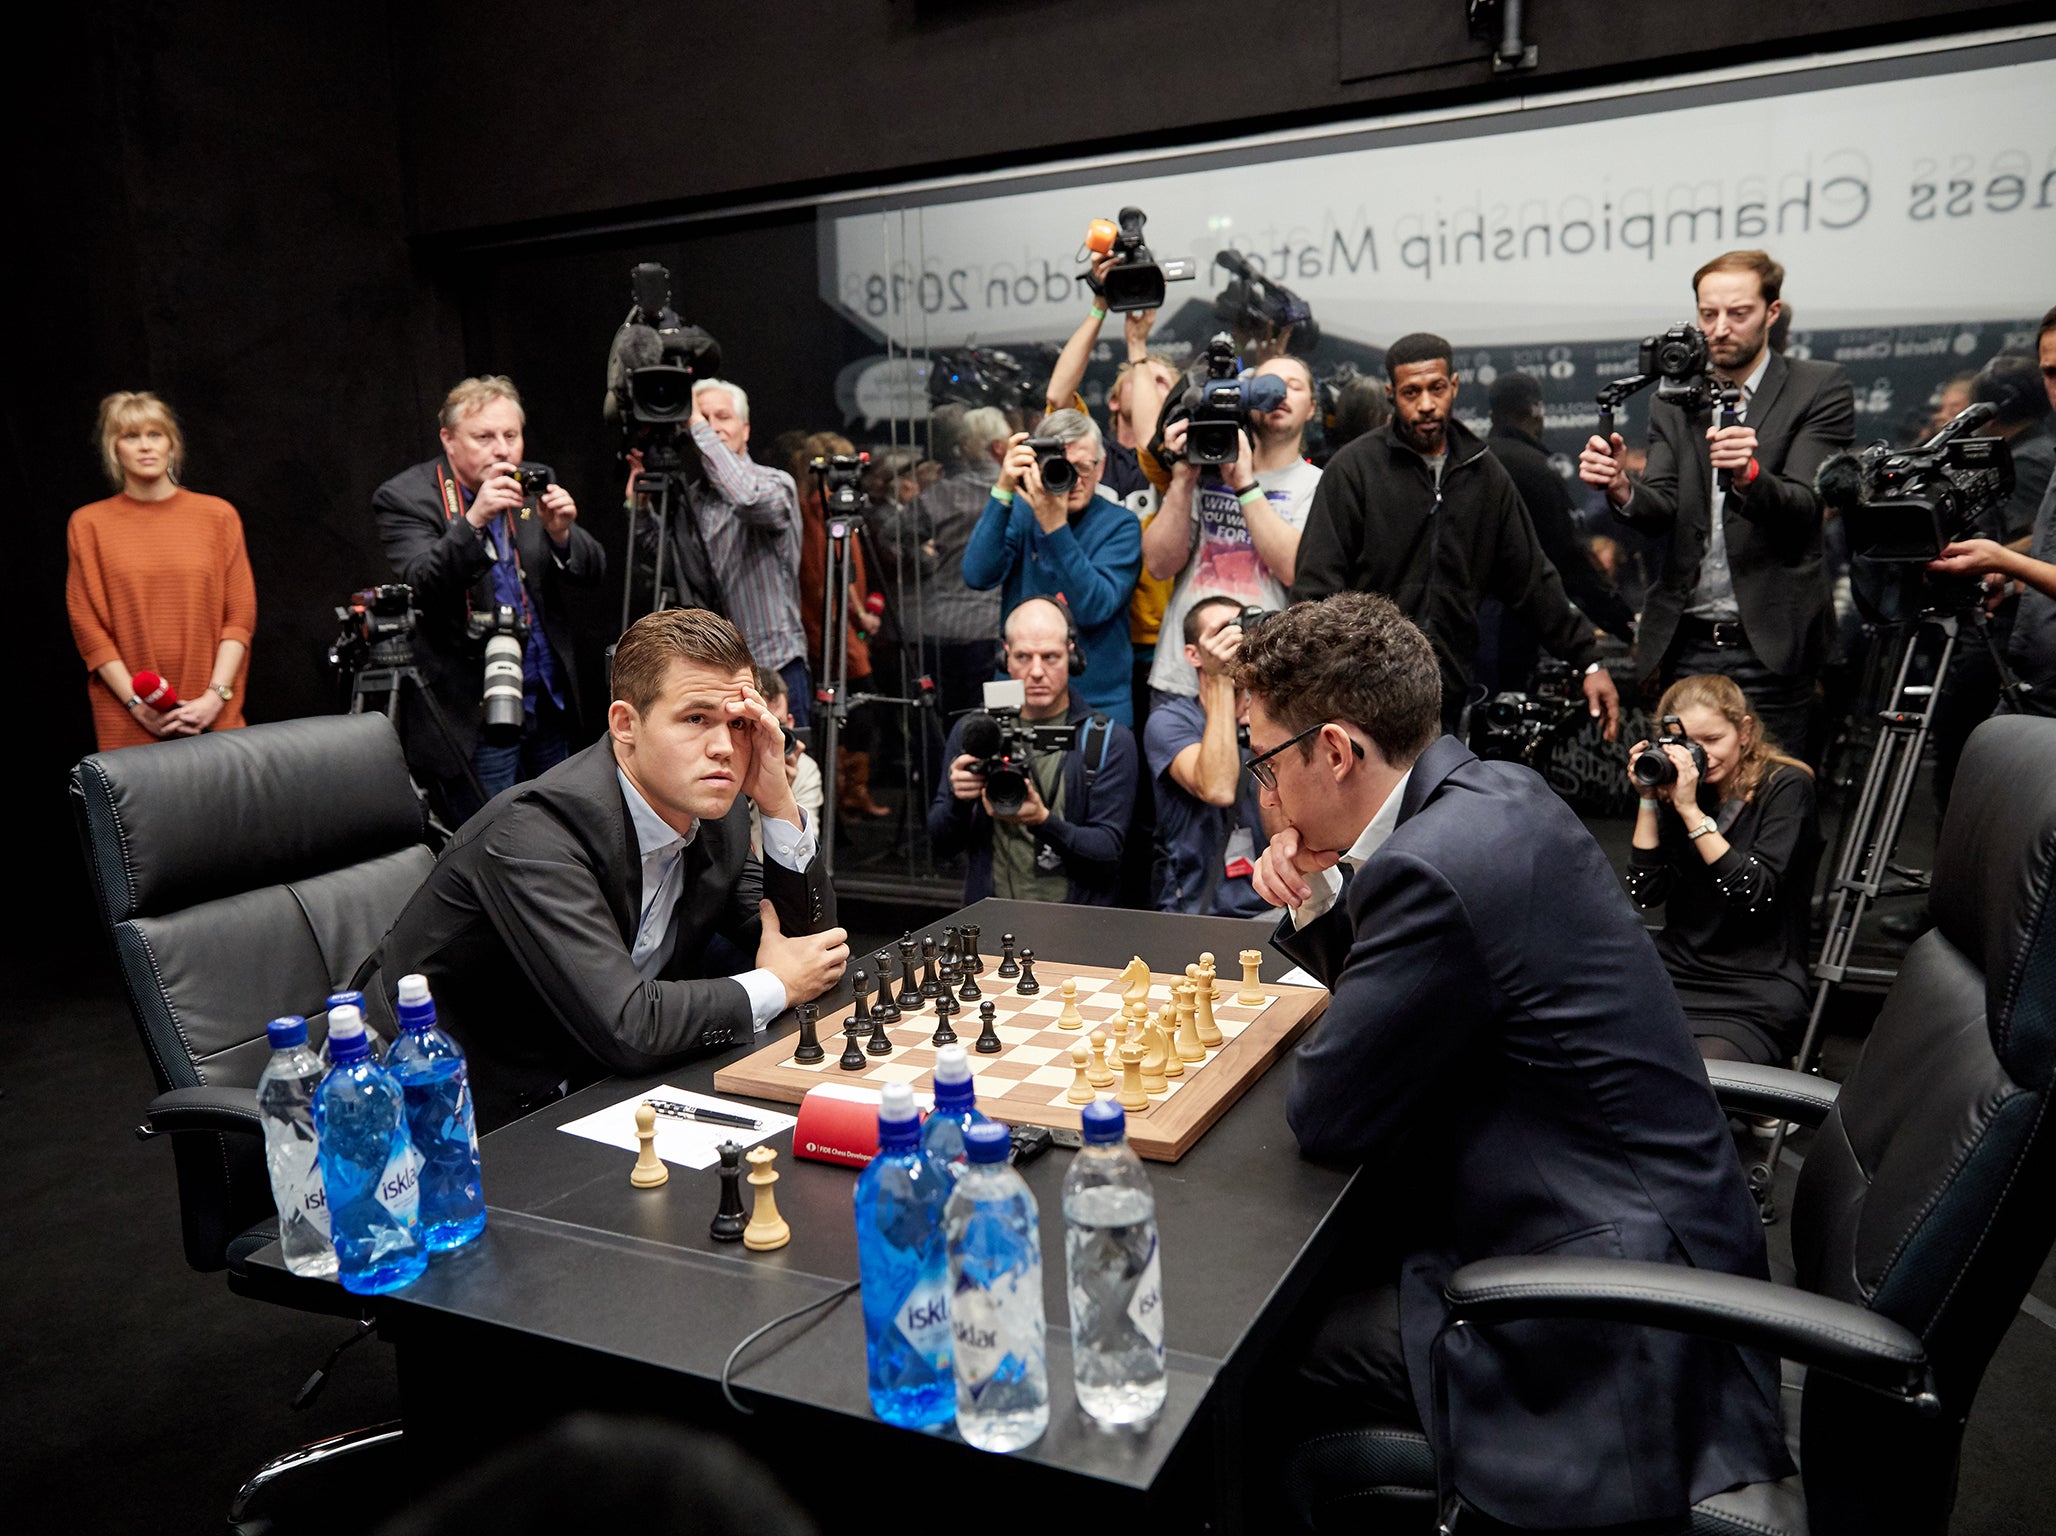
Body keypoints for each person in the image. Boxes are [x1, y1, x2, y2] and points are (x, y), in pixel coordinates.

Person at [1240, 592, 1788, 1530]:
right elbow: (1412, 993)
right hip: (1659, 1225)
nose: (1261, 795)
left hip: (1607, 1312)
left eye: (1262, 759)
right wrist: (1319, 902)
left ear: (1333, 751)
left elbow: (1329, 1105)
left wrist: (1317, 908)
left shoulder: (1434, 866)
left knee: (1257, 1345)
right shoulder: (1492, 794)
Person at [363, 609, 846, 1131]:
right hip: (436, 1114)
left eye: (740, 724)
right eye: (696, 719)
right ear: (625, 725)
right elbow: (630, 1025)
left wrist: (777, 804)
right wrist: (774, 982)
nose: (725, 747)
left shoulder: (716, 817)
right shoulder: (535, 835)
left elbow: (810, 951)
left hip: (590, 1084)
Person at [1579, 249, 1856, 758]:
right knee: (1680, 800)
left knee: (1772, 802)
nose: (1721, 328)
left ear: (1772, 312)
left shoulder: (1817, 386)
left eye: (1739, 313)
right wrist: (1620, 485)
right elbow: (1661, 506)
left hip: (1770, 643)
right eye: (1709, 315)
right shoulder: (1673, 395)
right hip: (1685, 642)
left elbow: (1806, 505)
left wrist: (1750, 476)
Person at [1293, 333, 1621, 737]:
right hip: (1360, 699)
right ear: (1391, 394)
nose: (1426, 404)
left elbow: (1532, 579)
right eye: (1411, 392)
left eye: (1436, 388)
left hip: (1447, 694)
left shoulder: (1484, 474)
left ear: (1455, 386)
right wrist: (1324, 688)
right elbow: (1316, 590)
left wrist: (1588, 659)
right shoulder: (1354, 469)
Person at [373, 376, 606, 824]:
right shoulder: (407, 496)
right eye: (484, 437)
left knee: (562, 827)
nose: (501, 450)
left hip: (546, 696)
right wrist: (475, 519)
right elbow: (422, 581)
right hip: (473, 708)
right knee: (497, 837)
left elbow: (593, 570)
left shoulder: (531, 483)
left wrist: (561, 534)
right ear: (449, 440)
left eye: (510, 436)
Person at [1622, 674, 1822, 1068]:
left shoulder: (1786, 786)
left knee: (1695, 1086)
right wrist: (1648, 801)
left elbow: (1755, 894)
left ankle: (1765, 1091)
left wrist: (1690, 812)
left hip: (1755, 988)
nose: (1703, 755)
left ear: (1744, 731)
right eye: (1690, 745)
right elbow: (1645, 891)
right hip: (1675, 973)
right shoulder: (1679, 786)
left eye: (1713, 741)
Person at [66, 390, 256, 751]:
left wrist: (214, 698)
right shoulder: (88, 524)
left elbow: (240, 618)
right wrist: (138, 706)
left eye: (155, 434)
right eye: (131, 436)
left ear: (172, 444)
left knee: (223, 806)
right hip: (128, 723)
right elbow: (89, 629)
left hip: (213, 718)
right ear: (113, 449)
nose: (145, 446)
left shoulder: (218, 516)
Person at [927, 597, 1137, 904]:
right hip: (990, 920)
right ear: (1006, 658)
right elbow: (942, 844)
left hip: (1078, 925)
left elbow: (1108, 852)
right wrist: (959, 802)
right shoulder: (976, 732)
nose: (1036, 671)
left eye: (1050, 657)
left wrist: (1043, 821)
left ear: (1072, 657)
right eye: (1024, 656)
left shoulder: (1107, 741)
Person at [1144, 357, 1322, 707]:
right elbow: (1158, 565)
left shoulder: (1318, 484)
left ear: (1312, 408)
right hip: (1183, 671)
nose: (1281, 393)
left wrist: (1244, 484)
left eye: (1294, 386)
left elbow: (1294, 568)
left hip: (1263, 680)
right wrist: (1182, 480)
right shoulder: (1204, 467)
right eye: (1268, 384)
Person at [632, 377, 808, 724]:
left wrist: (697, 424)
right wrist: (639, 508)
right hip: (717, 671)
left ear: (745, 429)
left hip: (776, 664)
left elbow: (746, 496)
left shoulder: (775, 483)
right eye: (702, 417)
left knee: (782, 773)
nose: (712, 426)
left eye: (722, 417)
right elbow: (666, 559)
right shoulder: (694, 498)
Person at [960, 410, 1143, 725]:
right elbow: (976, 575)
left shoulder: (1121, 524)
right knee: (1003, 770)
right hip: (1012, 690)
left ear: (1101, 468)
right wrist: (1003, 488)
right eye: (1058, 466)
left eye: (1082, 468)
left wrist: (1055, 528)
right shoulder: (1021, 511)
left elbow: (1094, 608)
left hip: (1096, 697)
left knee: (1094, 774)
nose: (1071, 479)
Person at [1929, 305, 2056, 720]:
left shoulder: (2033, 457)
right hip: (2035, 666)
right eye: (2050, 372)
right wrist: (2008, 566)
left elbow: (2026, 544)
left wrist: (2004, 560)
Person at [1484, 370, 1638, 661]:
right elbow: (1570, 559)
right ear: (1536, 409)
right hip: (1519, 626)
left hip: (1469, 628)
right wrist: (1625, 625)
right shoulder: (1535, 470)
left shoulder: (1471, 462)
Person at [877, 405, 1011, 722]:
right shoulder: (1023, 494)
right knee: (998, 718)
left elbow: (891, 533)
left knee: (951, 721)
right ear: (998, 448)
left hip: (946, 627)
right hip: (995, 628)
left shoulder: (944, 495)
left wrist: (924, 559)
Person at [1146, 596, 1272, 917]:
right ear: (1192, 654)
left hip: (1272, 908)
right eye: (1221, 631)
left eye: (1240, 628)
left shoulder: (1272, 717)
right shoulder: (1170, 720)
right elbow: (1217, 788)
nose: (1233, 640)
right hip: (1197, 908)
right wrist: (1218, 678)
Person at [792, 430, 890, 820]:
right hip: (831, 629)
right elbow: (832, 572)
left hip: (832, 626)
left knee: (853, 709)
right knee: (855, 709)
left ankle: (846, 793)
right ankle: (842, 793)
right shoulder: (819, 510)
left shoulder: (819, 508)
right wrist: (857, 614)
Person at [749, 665, 823, 856]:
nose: (770, 736)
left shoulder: (803, 769)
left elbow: (802, 860)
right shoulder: (722, 761)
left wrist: (780, 799)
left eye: (778, 725)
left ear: (791, 724)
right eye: (760, 725)